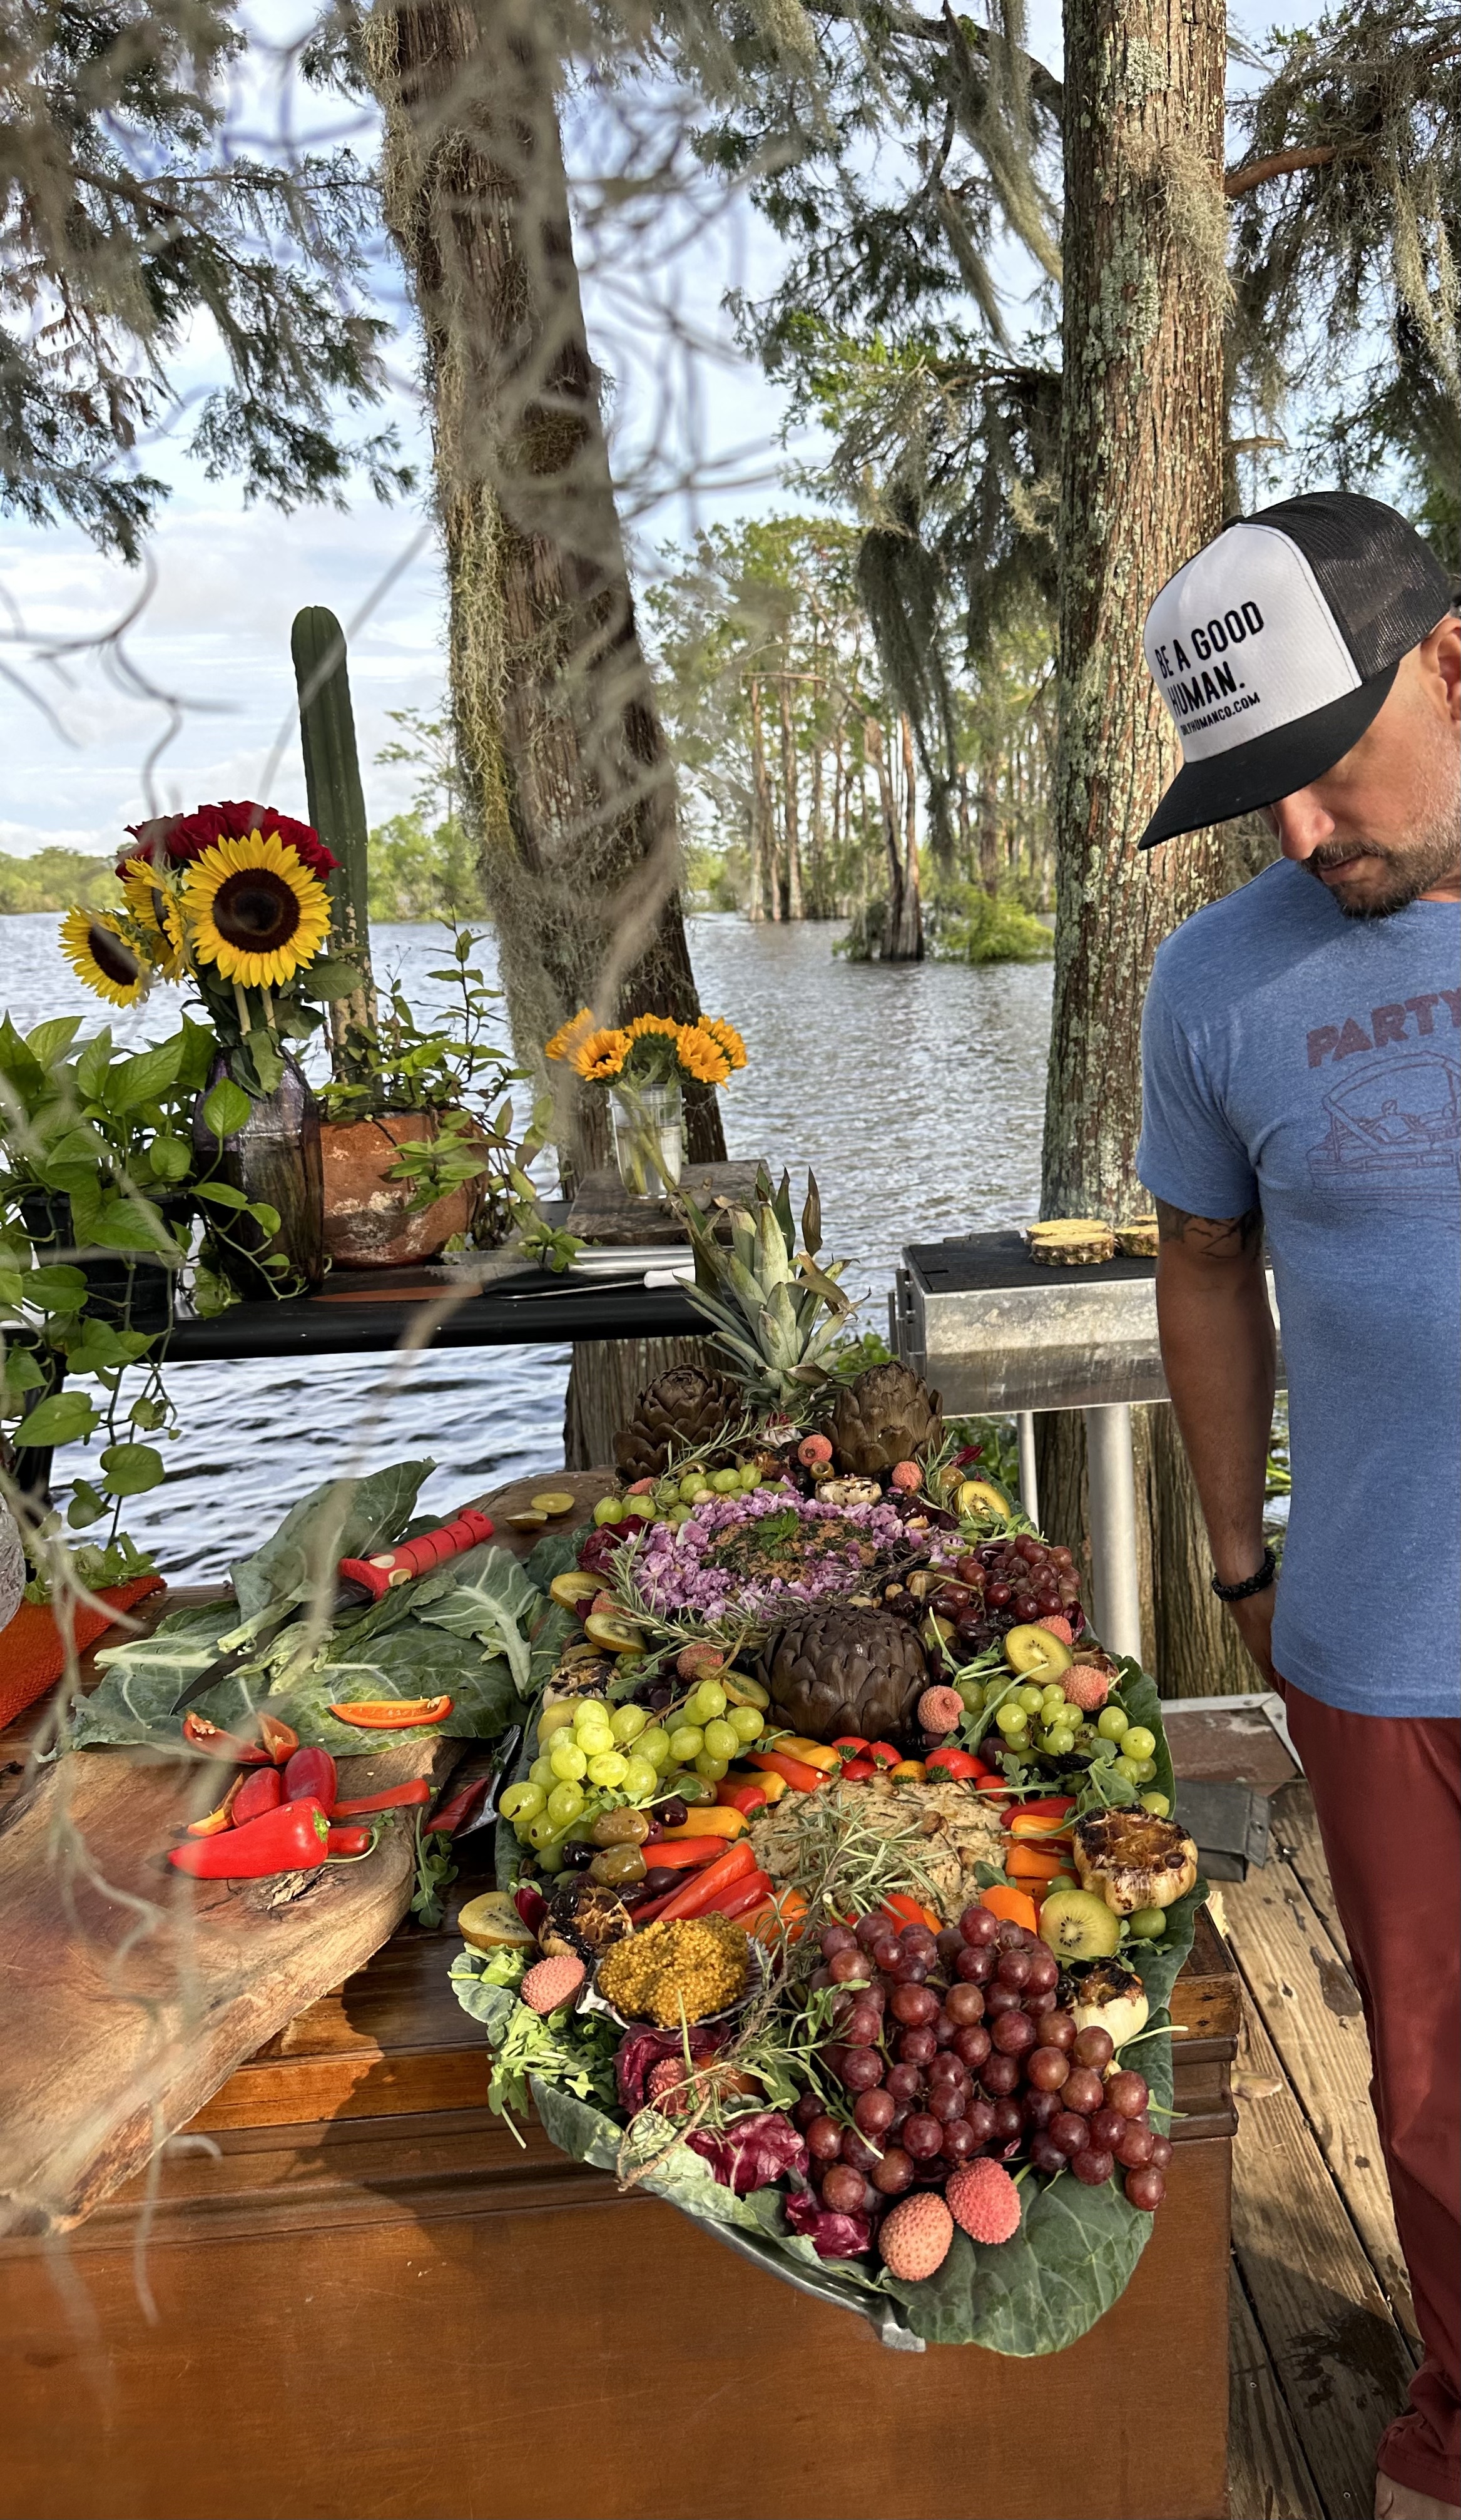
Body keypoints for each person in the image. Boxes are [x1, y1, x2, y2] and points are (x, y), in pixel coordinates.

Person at [1134, 491, 1460, 2520]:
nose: (1301, 832)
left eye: (1329, 765)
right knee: (1426, 2085)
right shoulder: (1212, 983)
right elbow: (1198, 1263)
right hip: (1378, 1629)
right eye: (1257, 791)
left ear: (1454, 665)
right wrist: (1237, 1555)